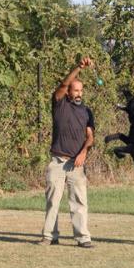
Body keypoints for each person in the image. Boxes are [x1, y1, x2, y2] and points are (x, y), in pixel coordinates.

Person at [39, 57, 95, 248]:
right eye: (75, 90)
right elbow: (63, 83)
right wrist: (79, 67)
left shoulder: (87, 111)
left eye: (81, 90)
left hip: (76, 163)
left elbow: (90, 137)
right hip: (57, 160)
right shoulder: (59, 104)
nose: (78, 93)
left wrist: (83, 153)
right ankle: (49, 236)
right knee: (53, 201)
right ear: (69, 92)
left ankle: (82, 238)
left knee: (79, 202)